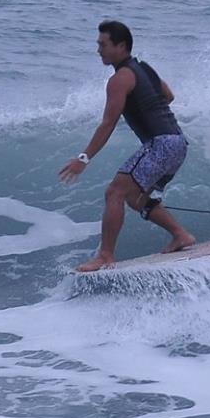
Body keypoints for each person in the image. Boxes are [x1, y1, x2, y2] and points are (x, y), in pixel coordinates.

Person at [57, 20, 195, 271]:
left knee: (115, 192)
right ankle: (181, 235)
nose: (98, 50)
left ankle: (105, 256)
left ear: (121, 46)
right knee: (136, 198)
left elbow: (108, 124)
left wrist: (83, 159)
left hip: (161, 143)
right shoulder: (144, 69)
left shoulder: (120, 79)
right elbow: (168, 96)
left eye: (103, 44)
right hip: (178, 143)